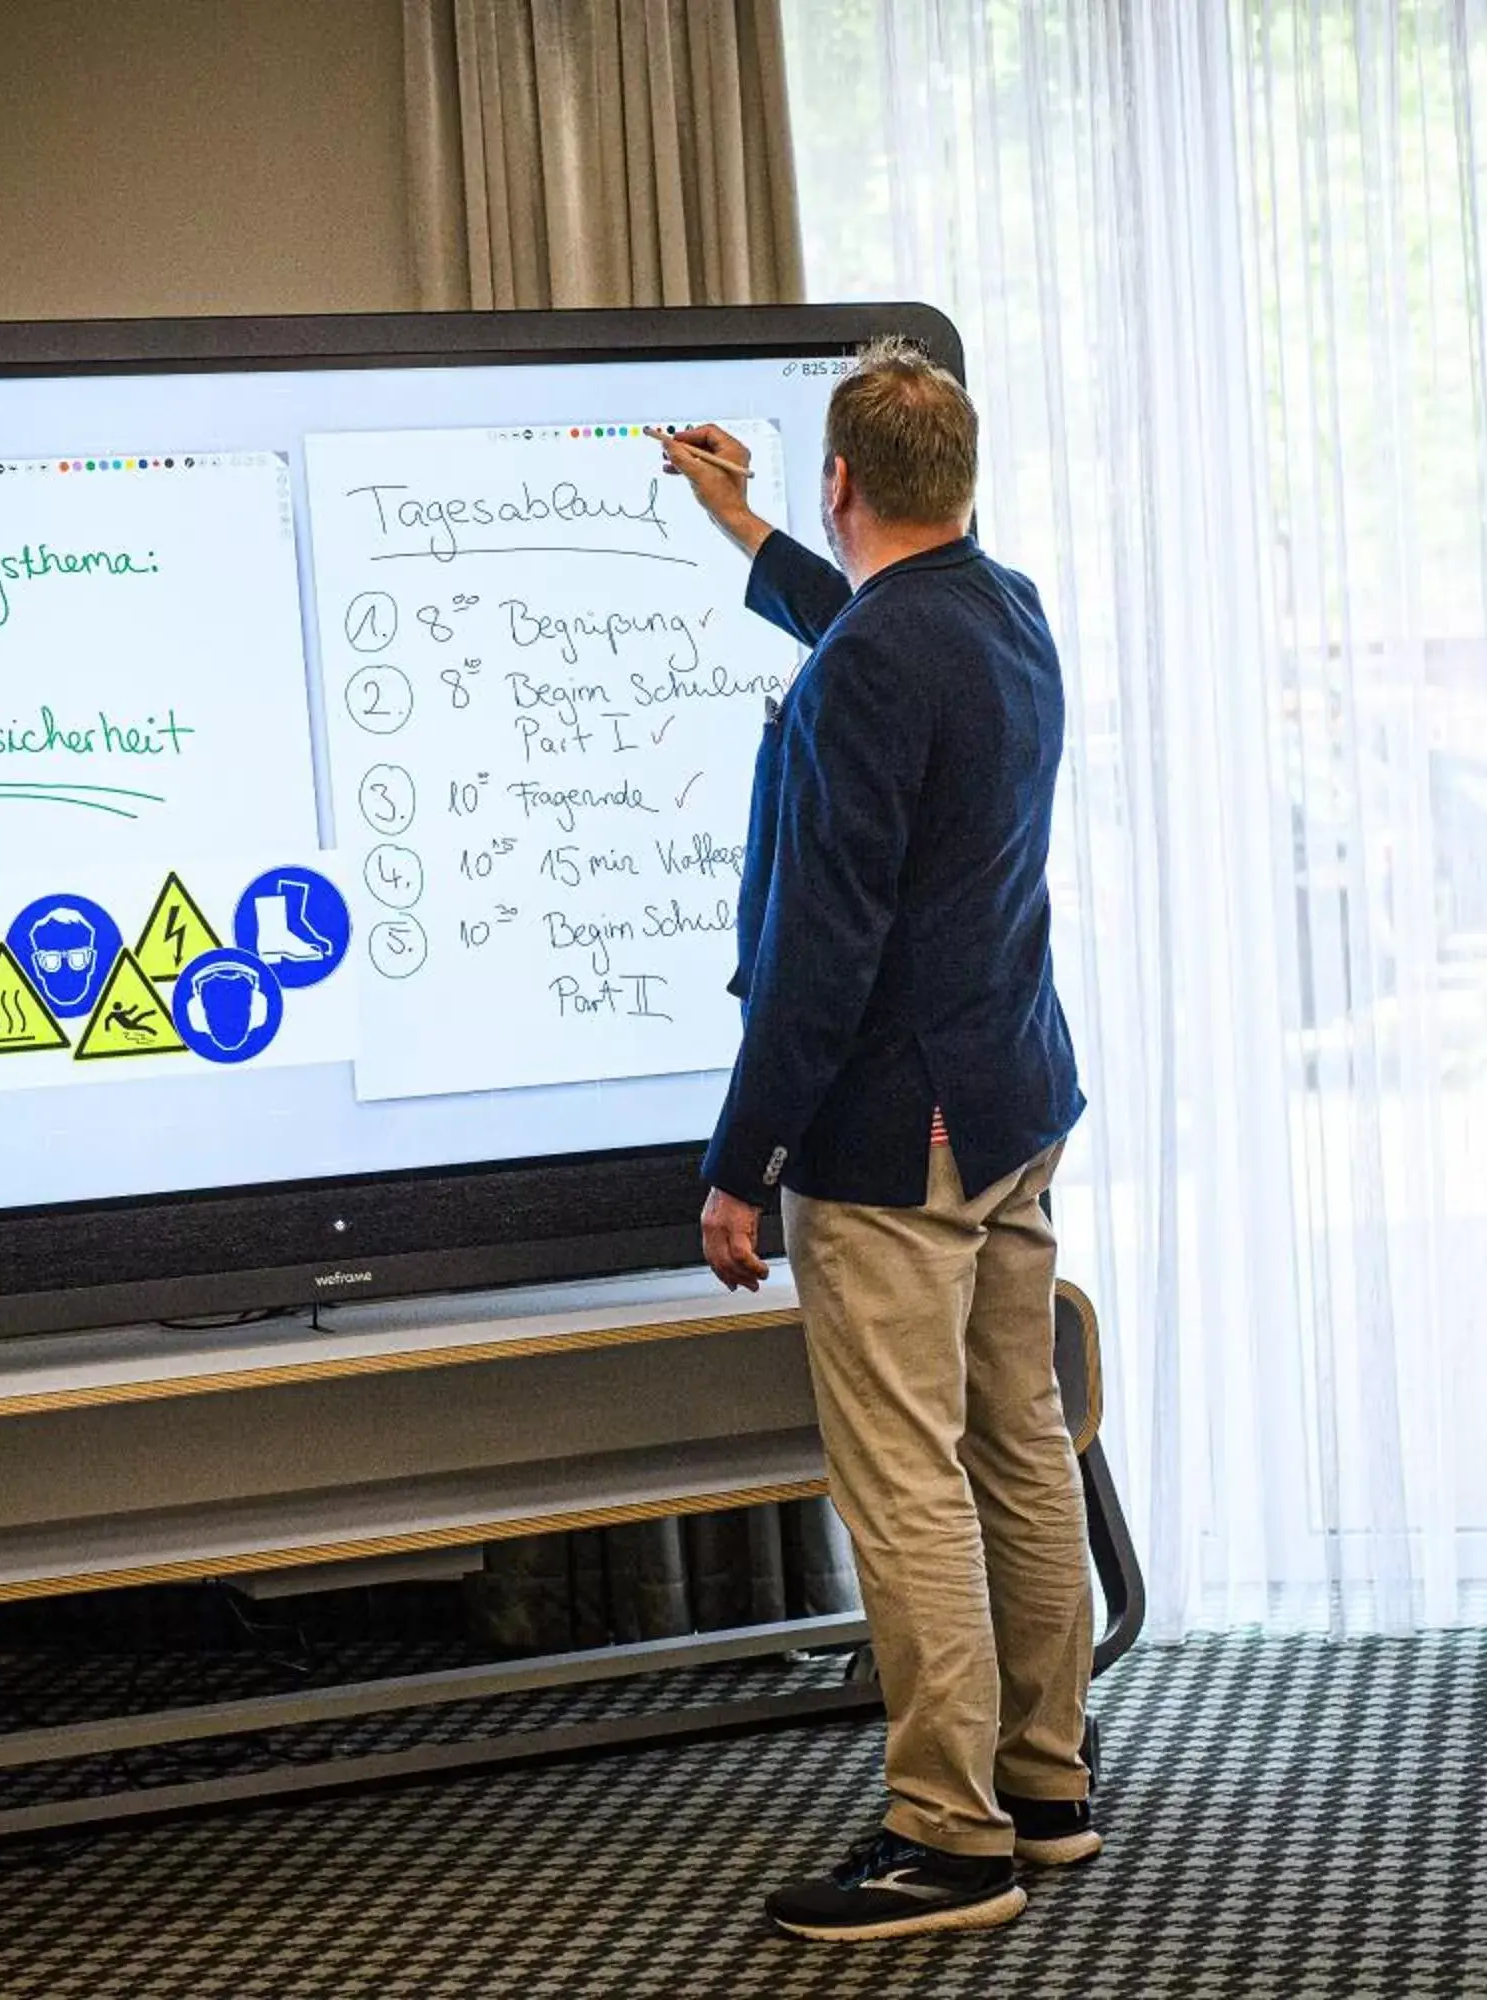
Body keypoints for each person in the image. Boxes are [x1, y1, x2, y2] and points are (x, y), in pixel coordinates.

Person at [660, 339, 1093, 1944]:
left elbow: (818, 952)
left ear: (843, 479)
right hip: (1008, 1110)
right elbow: (879, 633)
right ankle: (1045, 1790)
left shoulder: (869, 669)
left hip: (892, 1139)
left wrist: (739, 1160)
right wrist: (743, 530)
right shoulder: (1003, 611)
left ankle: (947, 1841)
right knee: (1020, 1447)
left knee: (907, 1485)